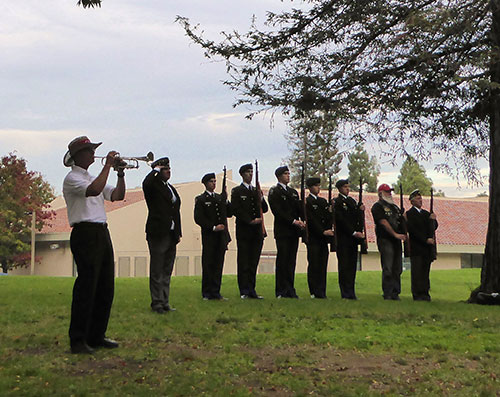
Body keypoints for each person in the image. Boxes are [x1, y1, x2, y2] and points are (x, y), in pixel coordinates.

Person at [62, 136, 125, 354]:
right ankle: (78, 339)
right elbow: (94, 190)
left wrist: (120, 174)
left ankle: (97, 335)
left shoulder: (92, 176)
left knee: (105, 286)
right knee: (87, 287)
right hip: (84, 232)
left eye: (92, 150)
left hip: (101, 231)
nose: (92, 154)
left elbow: (117, 196)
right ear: (77, 156)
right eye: (88, 151)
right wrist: (108, 165)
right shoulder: (72, 179)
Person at [142, 157, 181, 314]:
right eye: (165, 169)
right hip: (158, 232)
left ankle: (165, 300)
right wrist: (155, 169)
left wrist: (178, 232)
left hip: (171, 233)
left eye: (169, 168)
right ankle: (156, 302)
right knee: (157, 268)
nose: (168, 171)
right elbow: (147, 183)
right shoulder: (153, 186)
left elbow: (175, 210)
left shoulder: (170, 187)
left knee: (167, 269)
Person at [231, 163, 269, 299]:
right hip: (244, 230)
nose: (250, 174)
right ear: (242, 174)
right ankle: (244, 290)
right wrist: (250, 220)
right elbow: (237, 209)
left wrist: (261, 196)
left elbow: (264, 209)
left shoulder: (255, 191)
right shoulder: (237, 191)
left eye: (252, 172)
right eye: (248, 172)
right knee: (244, 261)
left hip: (256, 232)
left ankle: (252, 289)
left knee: (253, 261)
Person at [268, 166, 305, 298]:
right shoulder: (275, 192)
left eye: (289, 173)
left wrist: (303, 220)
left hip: (293, 232)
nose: (288, 176)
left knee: (291, 261)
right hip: (283, 231)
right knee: (283, 260)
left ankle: (290, 289)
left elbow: (299, 209)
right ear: (279, 176)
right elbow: (278, 211)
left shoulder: (293, 192)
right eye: (285, 174)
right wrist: (293, 221)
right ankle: (281, 290)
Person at [194, 173, 232, 300]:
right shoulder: (201, 199)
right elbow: (199, 218)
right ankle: (207, 292)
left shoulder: (219, 198)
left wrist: (226, 199)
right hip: (209, 236)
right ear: (205, 183)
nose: (214, 184)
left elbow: (230, 213)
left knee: (218, 264)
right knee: (208, 263)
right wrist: (213, 227)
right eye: (211, 181)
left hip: (220, 237)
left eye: (215, 181)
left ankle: (216, 291)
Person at [371, 183, 407, 300]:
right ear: (380, 193)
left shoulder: (394, 207)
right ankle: (387, 292)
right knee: (388, 267)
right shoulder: (377, 207)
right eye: (387, 192)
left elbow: (401, 221)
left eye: (390, 192)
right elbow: (383, 222)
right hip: (386, 239)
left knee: (397, 267)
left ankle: (395, 292)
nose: (389, 194)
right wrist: (395, 234)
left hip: (396, 240)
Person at [334, 179, 365, 300]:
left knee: (352, 266)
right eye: (345, 187)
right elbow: (341, 220)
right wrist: (352, 232)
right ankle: (345, 292)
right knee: (344, 266)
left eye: (348, 186)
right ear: (340, 188)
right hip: (344, 238)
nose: (347, 189)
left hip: (353, 239)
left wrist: (360, 210)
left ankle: (351, 291)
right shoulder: (337, 202)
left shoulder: (352, 201)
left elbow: (357, 218)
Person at [405, 189, 438, 301]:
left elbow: (433, 226)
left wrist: (434, 219)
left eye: (421, 198)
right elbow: (413, 230)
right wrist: (425, 240)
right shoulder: (409, 214)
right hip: (417, 247)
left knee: (425, 272)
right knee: (417, 272)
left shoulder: (425, 213)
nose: (420, 201)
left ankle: (425, 292)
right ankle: (417, 293)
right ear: (412, 201)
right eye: (418, 199)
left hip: (426, 249)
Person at [305, 177, 334, 299]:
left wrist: (330, 213)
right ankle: (314, 290)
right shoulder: (307, 202)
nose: (318, 187)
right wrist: (322, 231)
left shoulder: (322, 202)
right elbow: (311, 220)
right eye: (316, 185)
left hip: (323, 239)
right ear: (310, 187)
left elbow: (327, 218)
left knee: (323, 265)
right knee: (314, 264)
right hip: (314, 237)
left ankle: (322, 290)